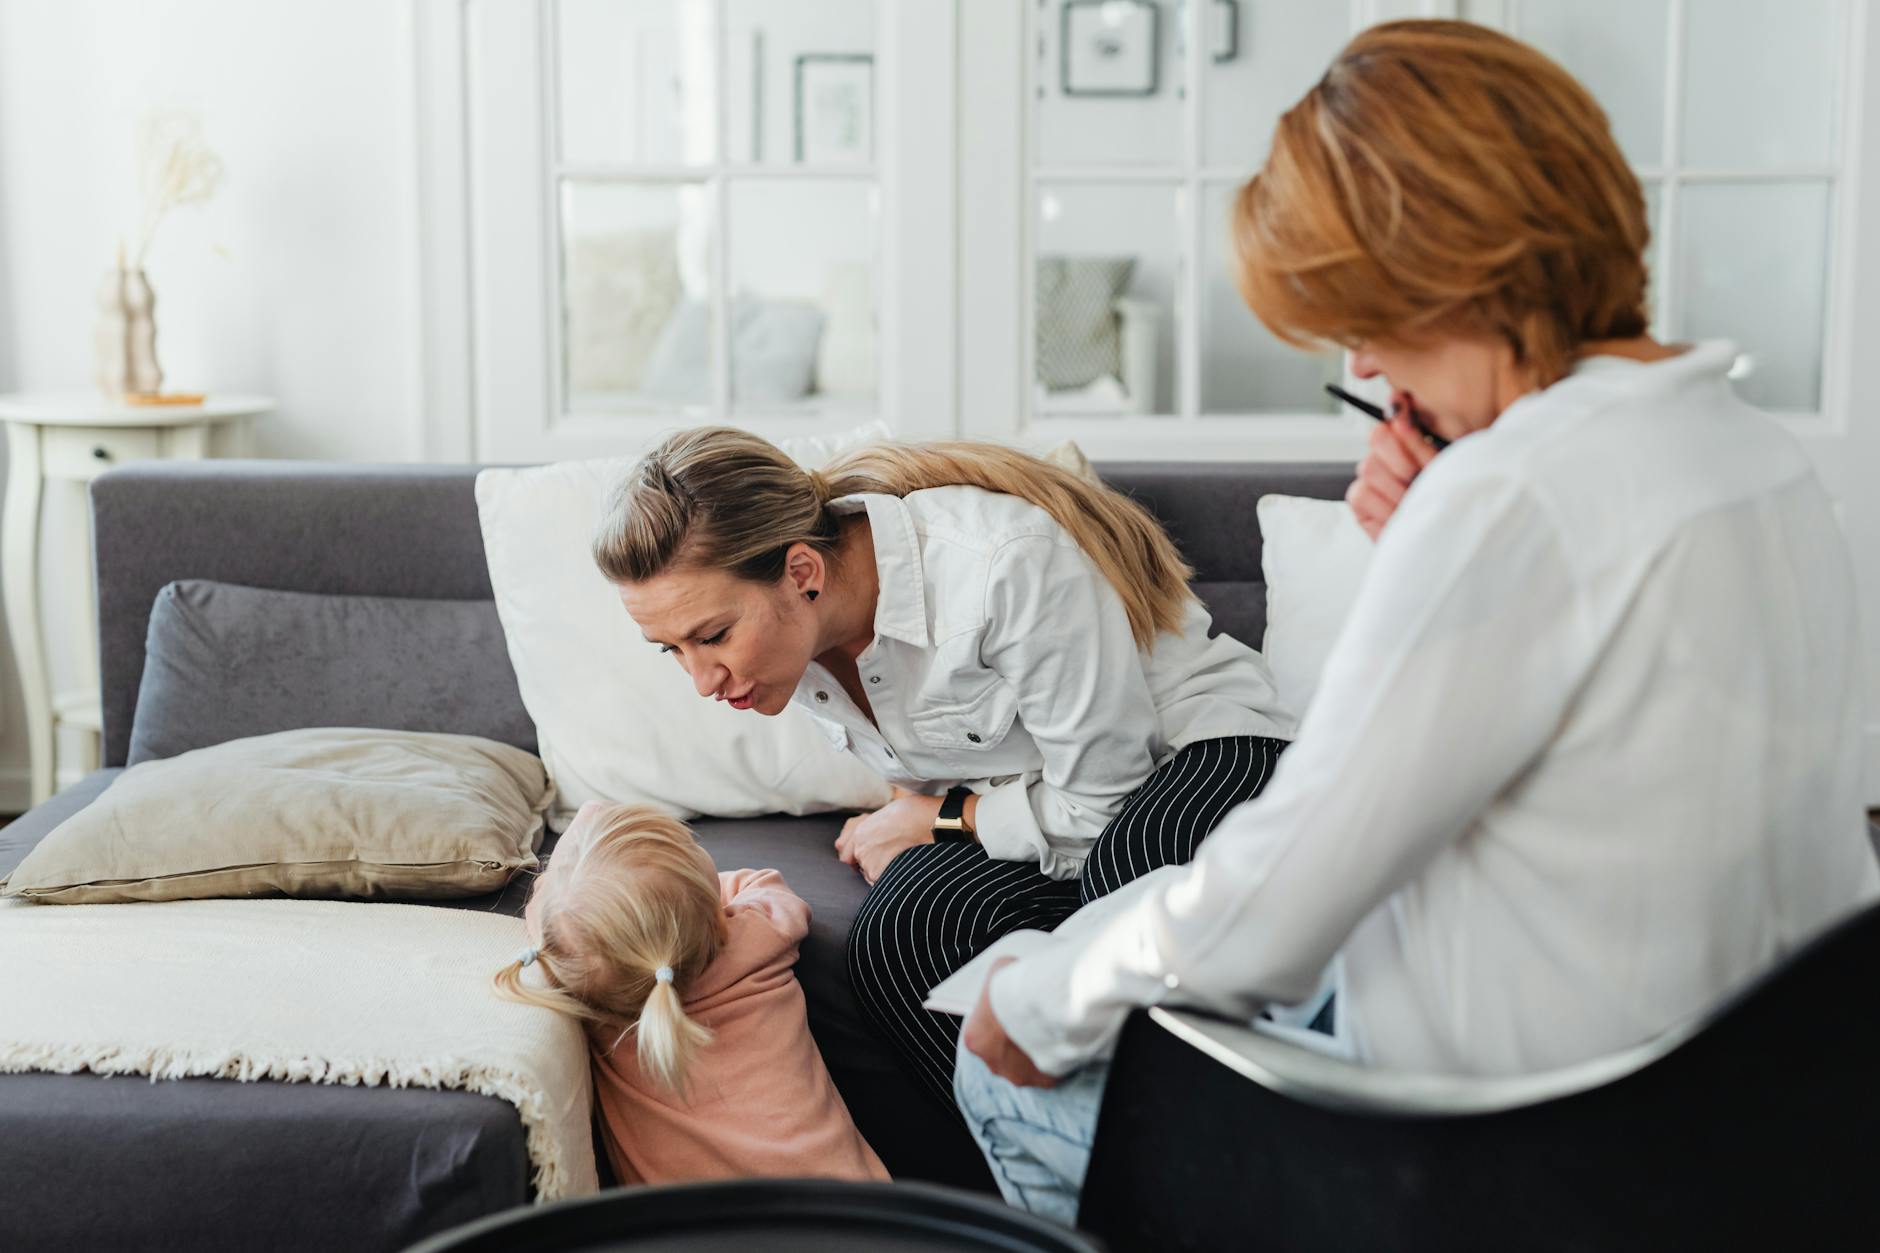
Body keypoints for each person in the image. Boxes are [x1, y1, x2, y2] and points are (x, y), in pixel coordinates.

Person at [952, 18, 1880, 1223]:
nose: (1366, 362)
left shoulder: (1516, 495)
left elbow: (1284, 893)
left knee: (1003, 1046)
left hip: (1514, 1154)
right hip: (1751, 1114)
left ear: (1448, 270)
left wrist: (1034, 999)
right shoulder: (1751, 451)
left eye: (1365, 315)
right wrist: (1421, 544)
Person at [592, 430, 1295, 1107]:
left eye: (712, 636)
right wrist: (920, 813)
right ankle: (1037, 1173)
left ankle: (1173, 1176)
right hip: (1054, 800)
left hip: (1198, 751)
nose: (703, 680)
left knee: (1128, 883)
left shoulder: (1001, 564)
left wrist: (937, 819)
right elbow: (946, 750)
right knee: (903, 932)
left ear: (802, 571)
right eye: (671, 649)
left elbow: (1105, 800)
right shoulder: (791, 646)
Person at [492, 800, 886, 1185]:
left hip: (693, 1232)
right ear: (720, 915)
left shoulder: (588, 978)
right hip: (852, 1207)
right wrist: (694, 906)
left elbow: (557, 905)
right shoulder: (760, 934)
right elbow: (765, 885)